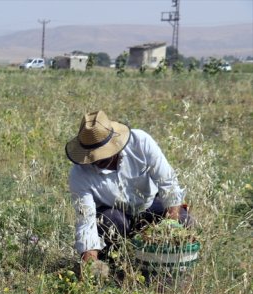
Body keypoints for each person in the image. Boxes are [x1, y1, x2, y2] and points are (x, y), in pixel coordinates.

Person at [65, 110, 192, 279]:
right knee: (109, 222)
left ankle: (167, 271)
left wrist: (169, 230)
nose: (97, 160)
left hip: (149, 205)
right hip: (116, 215)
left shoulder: (141, 142)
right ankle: (116, 266)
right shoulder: (79, 174)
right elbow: (86, 220)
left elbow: (168, 184)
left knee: (184, 220)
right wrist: (89, 263)